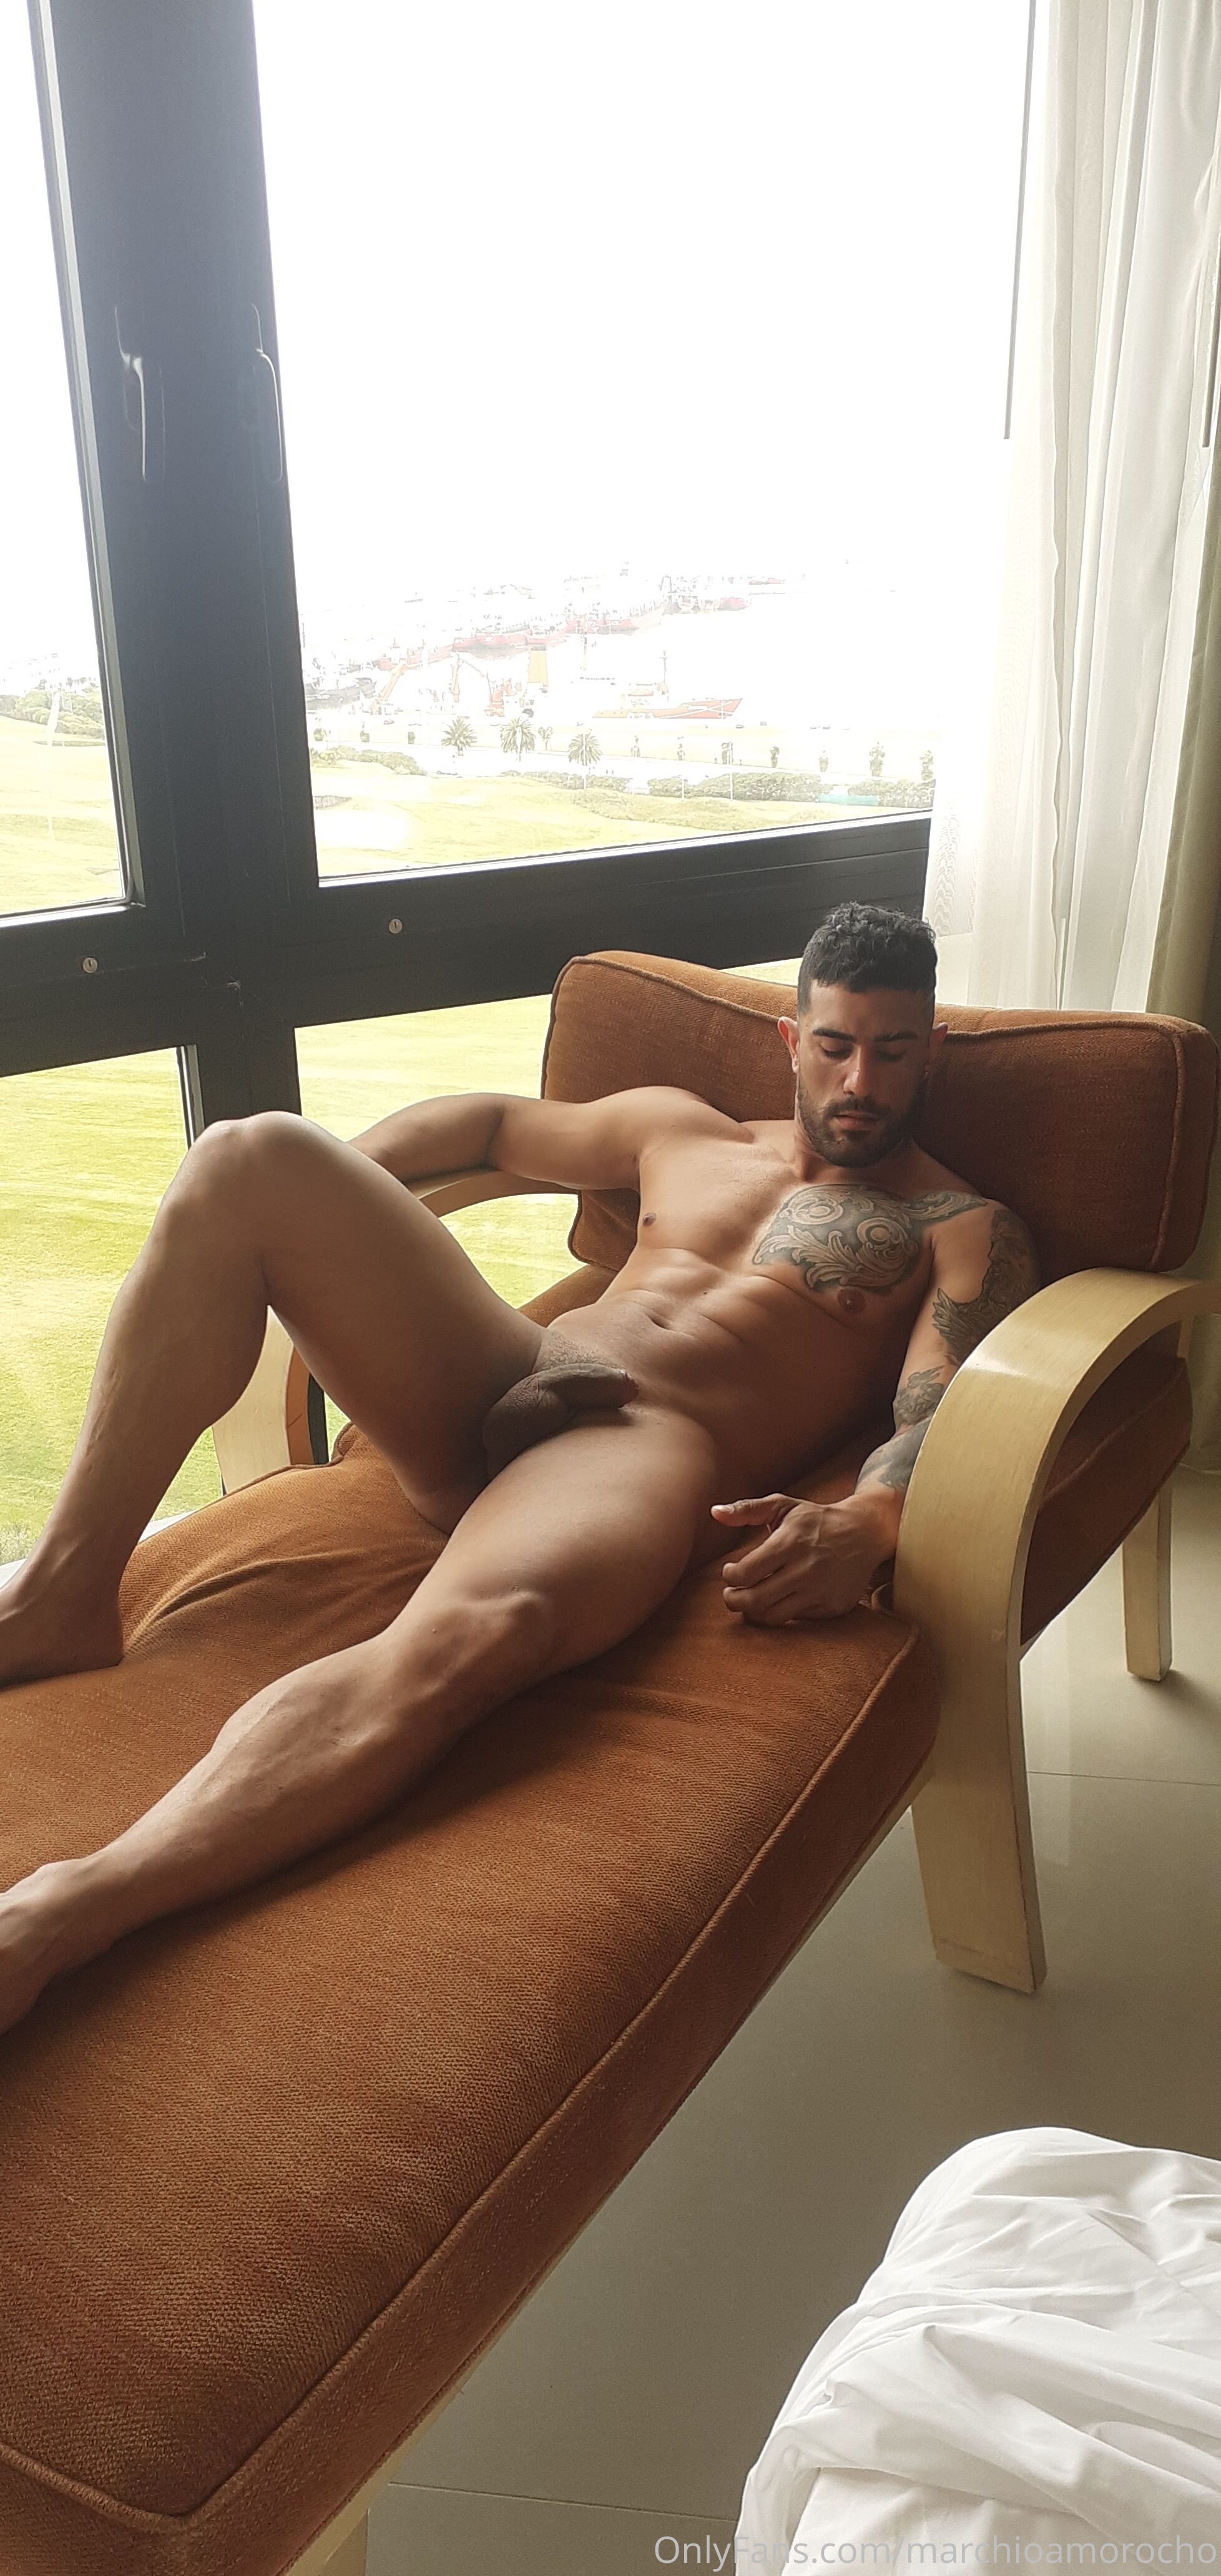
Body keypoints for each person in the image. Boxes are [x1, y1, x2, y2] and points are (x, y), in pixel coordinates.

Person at [0, 904, 1038, 2034]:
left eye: (893, 1052)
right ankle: (63, 1590)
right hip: (524, 1364)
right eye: (836, 1046)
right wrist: (336, 1201)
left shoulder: (959, 1224)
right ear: (793, 1040)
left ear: (932, 1051)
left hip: (643, 1447)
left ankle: (69, 1908)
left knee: (471, 1641)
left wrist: (872, 1519)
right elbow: (493, 1125)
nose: (861, 1083)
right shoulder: (681, 1129)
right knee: (247, 1156)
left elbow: (937, 1404)